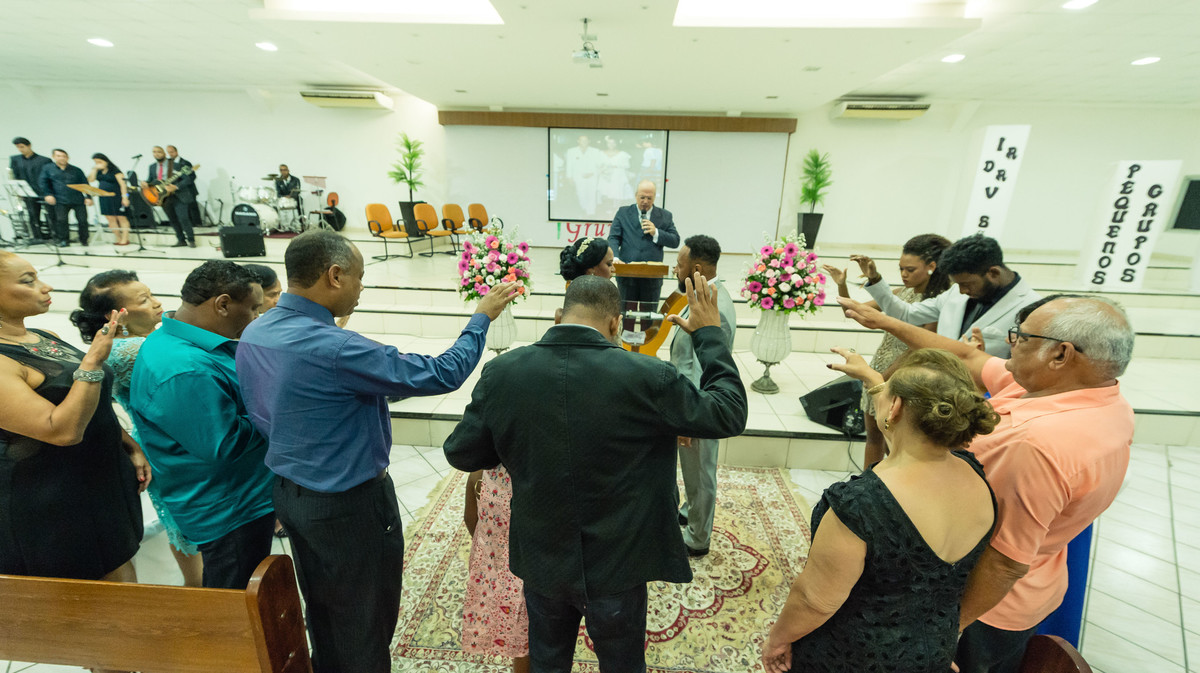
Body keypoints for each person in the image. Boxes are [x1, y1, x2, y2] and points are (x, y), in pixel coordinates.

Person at [235, 230, 519, 673]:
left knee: (324, 605)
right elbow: (443, 373)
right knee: (365, 618)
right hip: (349, 507)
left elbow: (315, 393)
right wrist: (480, 318)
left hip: (291, 495)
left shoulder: (258, 329)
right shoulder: (336, 348)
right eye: (360, 277)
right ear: (334, 275)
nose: (362, 287)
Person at [443, 274, 748, 673]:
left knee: (547, 662)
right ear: (615, 323)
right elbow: (729, 411)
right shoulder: (648, 377)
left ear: (561, 315)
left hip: (542, 557)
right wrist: (710, 334)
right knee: (622, 664)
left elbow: (462, 452)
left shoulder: (503, 372)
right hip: (620, 562)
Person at [837, 294, 1135, 673]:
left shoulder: (1037, 445)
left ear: (1060, 354)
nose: (1011, 342)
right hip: (1021, 584)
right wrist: (886, 322)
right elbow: (968, 358)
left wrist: (946, 633)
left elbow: (1006, 562)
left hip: (981, 607)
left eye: (1022, 336)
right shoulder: (1085, 393)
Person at [762, 347, 998, 673]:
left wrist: (777, 638)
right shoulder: (975, 473)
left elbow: (816, 600)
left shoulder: (859, 505)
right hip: (933, 649)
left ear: (895, 407)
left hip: (853, 656)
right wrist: (875, 379)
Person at [0, 251, 147, 584]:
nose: (45, 286)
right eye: (28, 281)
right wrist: (92, 362)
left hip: (99, 480)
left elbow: (89, 401)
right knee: (86, 601)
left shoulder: (41, 337)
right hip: (51, 501)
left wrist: (128, 444)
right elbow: (60, 430)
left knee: (121, 572)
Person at [130, 260, 272, 590]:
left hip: (240, 497)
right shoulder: (185, 367)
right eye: (252, 309)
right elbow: (223, 444)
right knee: (234, 603)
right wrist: (277, 408)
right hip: (230, 510)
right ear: (222, 304)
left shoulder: (187, 341)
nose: (255, 318)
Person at [68, 270, 204, 587]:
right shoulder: (129, 351)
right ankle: (202, 591)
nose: (156, 303)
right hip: (171, 446)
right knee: (191, 529)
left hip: (166, 441)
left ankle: (200, 588)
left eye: (151, 294)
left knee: (183, 529)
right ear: (116, 315)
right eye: (144, 300)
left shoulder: (139, 342)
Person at [824, 233, 952, 465]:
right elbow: (854, 311)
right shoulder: (901, 293)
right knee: (873, 438)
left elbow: (919, 347)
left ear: (932, 267)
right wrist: (841, 285)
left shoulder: (941, 301)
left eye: (910, 269)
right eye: (901, 268)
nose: (903, 274)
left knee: (896, 445)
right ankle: (866, 489)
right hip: (880, 369)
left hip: (904, 376)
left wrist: (884, 378)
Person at [859, 234, 1039, 358]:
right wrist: (875, 281)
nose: (961, 291)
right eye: (958, 284)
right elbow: (907, 314)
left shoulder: (1032, 307)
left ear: (993, 273)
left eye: (967, 284)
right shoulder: (955, 292)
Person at [670, 234, 738, 557]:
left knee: (701, 469)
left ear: (696, 267)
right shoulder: (701, 295)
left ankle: (698, 537)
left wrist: (691, 417)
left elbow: (704, 365)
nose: (675, 268)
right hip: (689, 400)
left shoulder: (715, 307)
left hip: (701, 404)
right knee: (692, 468)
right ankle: (691, 509)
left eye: (680, 264)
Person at [461, 465, 530, 673]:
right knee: (529, 640)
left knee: (520, 640)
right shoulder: (530, 476)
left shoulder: (479, 475)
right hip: (528, 572)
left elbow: (470, 518)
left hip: (496, 569)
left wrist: (490, 552)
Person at [607, 179, 680, 307]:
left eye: (649, 198)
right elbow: (613, 238)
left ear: (654, 198)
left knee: (650, 318)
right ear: (636, 195)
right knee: (625, 316)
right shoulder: (623, 213)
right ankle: (626, 328)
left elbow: (675, 241)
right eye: (642, 197)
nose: (645, 201)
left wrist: (656, 232)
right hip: (626, 276)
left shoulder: (665, 216)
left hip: (652, 278)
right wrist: (616, 258)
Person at [38, 149, 92, 247]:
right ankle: (64, 240)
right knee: (61, 221)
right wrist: (48, 194)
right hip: (60, 199)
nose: (62, 158)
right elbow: (43, 182)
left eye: (64, 156)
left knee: (82, 220)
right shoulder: (48, 169)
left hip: (77, 199)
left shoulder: (77, 170)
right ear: (54, 157)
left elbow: (85, 183)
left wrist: (88, 197)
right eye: (59, 156)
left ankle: (84, 239)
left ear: (67, 157)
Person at [147, 145, 196, 248]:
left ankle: (191, 240)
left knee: (183, 218)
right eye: (154, 152)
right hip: (164, 197)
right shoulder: (152, 167)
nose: (156, 154)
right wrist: (146, 184)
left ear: (165, 153)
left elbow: (188, 179)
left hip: (179, 196)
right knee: (172, 219)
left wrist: (176, 187)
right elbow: (151, 180)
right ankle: (181, 240)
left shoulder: (176, 165)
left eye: (159, 152)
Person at [8, 137, 53, 241]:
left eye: (22, 147)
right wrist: (17, 191)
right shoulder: (15, 159)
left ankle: (53, 235)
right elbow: (14, 175)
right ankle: (37, 236)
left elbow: (49, 177)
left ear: (29, 146)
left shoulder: (44, 160)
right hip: (27, 191)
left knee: (50, 214)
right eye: (18, 147)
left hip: (43, 191)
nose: (20, 149)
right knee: (33, 215)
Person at [88, 153, 132, 246]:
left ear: (106, 161)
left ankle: (125, 239)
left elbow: (123, 185)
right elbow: (91, 180)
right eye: (96, 162)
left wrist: (125, 197)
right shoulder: (98, 172)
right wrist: (94, 169)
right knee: (110, 218)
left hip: (117, 197)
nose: (98, 164)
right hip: (104, 197)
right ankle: (118, 238)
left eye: (100, 162)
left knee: (121, 217)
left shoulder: (115, 171)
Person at [564, 134, 604, 217]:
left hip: (592, 177)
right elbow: (569, 165)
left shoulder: (595, 151)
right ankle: (584, 209)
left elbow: (601, 165)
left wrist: (594, 173)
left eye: (585, 140)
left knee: (592, 194)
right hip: (578, 177)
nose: (584, 142)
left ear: (589, 141)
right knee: (581, 194)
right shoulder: (571, 151)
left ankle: (591, 212)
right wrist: (569, 177)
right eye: (582, 140)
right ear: (578, 141)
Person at [168, 145, 203, 230]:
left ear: (176, 152)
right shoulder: (168, 163)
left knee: (192, 207)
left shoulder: (185, 163)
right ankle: (187, 226)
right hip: (176, 191)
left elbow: (191, 177)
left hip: (188, 189)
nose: (170, 154)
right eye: (168, 152)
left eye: (171, 152)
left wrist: (179, 185)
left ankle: (197, 225)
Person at [596, 135, 633, 213]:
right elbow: (597, 164)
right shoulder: (601, 153)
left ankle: (617, 210)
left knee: (617, 193)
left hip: (618, 176)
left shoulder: (623, 154)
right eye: (609, 143)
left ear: (616, 144)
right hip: (605, 176)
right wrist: (602, 168)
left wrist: (616, 166)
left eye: (613, 143)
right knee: (605, 192)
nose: (611, 145)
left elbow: (627, 165)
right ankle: (607, 209)